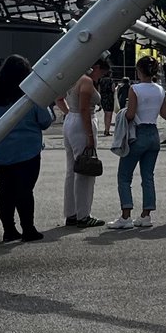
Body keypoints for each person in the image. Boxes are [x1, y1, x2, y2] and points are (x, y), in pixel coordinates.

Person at [0, 55, 49, 242]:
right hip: (27, 148)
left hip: (1, 149)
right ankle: (28, 228)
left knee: (6, 188)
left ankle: (9, 229)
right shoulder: (31, 93)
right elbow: (45, 120)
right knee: (25, 189)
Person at [109, 57, 166, 229]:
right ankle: (146, 215)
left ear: (138, 71)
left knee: (124, 176)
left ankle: (126, 216)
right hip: (154, 134)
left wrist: (124, 111)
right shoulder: (159, 89)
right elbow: (165, 113)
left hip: (138, 133)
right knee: (148, 177)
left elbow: (130, 114)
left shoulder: (135, 89)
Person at [65, 58, 109, 228]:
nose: (101, 76)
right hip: (83, 122)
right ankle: (83, 214)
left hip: (71, 119)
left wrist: (69, 112)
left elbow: (59, 98)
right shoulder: (87, 81)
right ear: (96, 67)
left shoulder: (73, 78)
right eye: (102, 72)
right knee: (86, 169)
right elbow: (84, 108)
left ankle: (71, 212)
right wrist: (90, 135)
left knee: (72, 170)